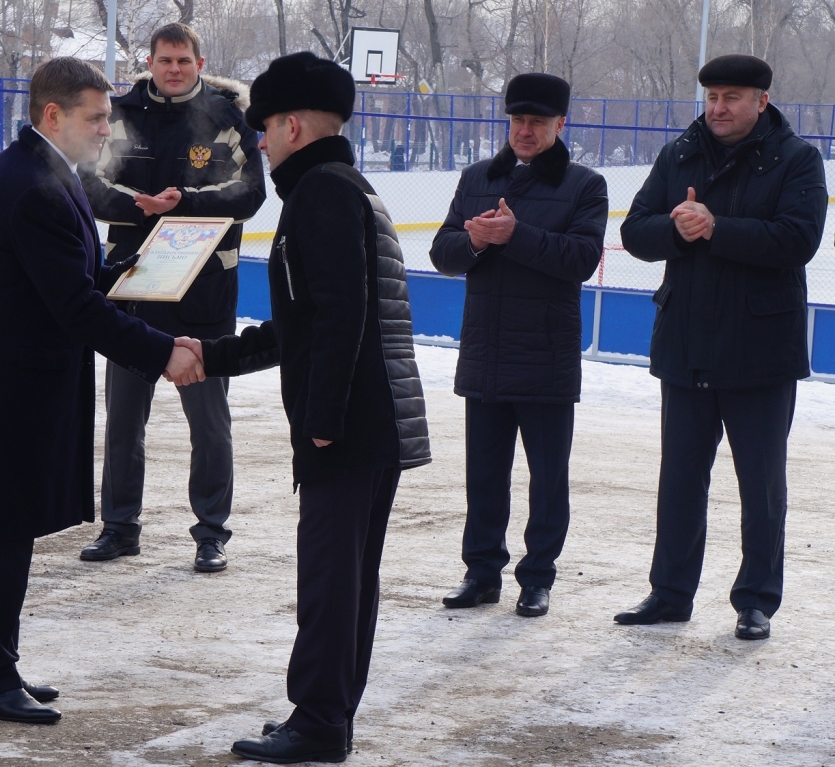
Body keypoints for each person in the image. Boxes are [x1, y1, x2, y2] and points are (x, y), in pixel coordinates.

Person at [0, 57, 204, 725]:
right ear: (53, 115)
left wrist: (128, 263)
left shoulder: (33, 171)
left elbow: (68, 278)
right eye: (94, 118)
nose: (104, 129)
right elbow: (77, 310)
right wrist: (165, 353)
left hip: (6, 384)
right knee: (4, 529)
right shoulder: (36, 186)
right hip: (12, 392)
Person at [178, 52, 430, 763]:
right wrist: (214, 354)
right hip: (372, 421)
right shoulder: (343, 187)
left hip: (348, 426)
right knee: (348, 578)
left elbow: (341, 316)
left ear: (293, 125)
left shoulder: (321, 192)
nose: (260, 141)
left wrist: (322, 422)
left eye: (265, 129)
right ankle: (329, 715)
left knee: (328, 578)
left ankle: (319, 720)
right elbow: (304, 323)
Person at [614, 55, 827, 640]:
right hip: (686, 341)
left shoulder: (797, 160)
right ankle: (669, 592)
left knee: (760, 484)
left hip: (760, 350)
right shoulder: (680, 152)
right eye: (711, 96)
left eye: (731, 97)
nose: (718, 108)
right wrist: (676, 230)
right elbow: (635, 231)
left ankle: (755, 599)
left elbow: (798, 240)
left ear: (762, 101)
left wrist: (716, 227)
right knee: (680, 477)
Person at [79, 22, 266, 572]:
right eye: (165, 61)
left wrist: (181, 202)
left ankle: (211, 532)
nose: (174, 69)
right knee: (123, 421)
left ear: (200, 63)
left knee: (209, 423)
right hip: (134, 288)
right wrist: (140, 204)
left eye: (184, 60)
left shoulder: (231, 118)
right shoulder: (120, 115)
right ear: (151, 62)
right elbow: (88, 185)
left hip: (204, 292)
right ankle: (119, 527)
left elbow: (250, 193)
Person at [430, 73, 608, 618]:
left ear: (560, 123)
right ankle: (481, 572)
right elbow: (442, 253)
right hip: (485, 351)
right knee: (484, 475)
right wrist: (474, 240)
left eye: (537, 121)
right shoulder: (477, 177)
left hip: (547, 356)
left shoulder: (584, 185)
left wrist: (516, 235)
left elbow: (580, 259)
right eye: (517, 120)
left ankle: (538, 577)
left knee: (547, 478)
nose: (525, 131)